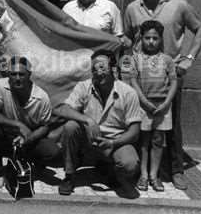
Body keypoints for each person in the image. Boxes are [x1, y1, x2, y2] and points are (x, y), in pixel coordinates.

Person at [123, 0, 201, 190]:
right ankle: (143, 172)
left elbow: (200, 29)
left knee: (172, 124)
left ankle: (176, 170)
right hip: (140, 77)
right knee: (142, 126)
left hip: (170, 74)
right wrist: (125, 54)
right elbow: (129, 39)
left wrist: (189, 57)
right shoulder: (132, 8)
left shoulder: (179, 6)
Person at [53, 50, 143, 198]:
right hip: (89, 139)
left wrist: (112, 143)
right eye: (94, 69)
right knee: (70, 126)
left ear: (114, 69)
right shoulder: (84, 86)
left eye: (102, 68)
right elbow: (62, 109)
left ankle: (112, 173)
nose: (97, 72)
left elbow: (134, 132)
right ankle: (69, 176)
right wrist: (87, 120)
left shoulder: (128, 93)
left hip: (115, 142)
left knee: (129, 164)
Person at [0, 56, 61, 188]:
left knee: (53, 152)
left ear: (29, 75)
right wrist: (18, 124)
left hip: (29, 138)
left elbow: (45, 127)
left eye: (21, 74)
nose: (17, 78)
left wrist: (28, 138)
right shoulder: (1, 85)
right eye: (13, 74)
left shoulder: (41, 97)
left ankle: (32, 163)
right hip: (8, 135)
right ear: (8, 74)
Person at [130, 20, 177, 192]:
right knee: (144, 141)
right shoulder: (136, 59)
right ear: (141, 38)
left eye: (155, 38)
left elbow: (173, 82)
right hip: (144, 106)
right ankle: (142, 175)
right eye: (147, 38)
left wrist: (166, 103)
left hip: (162, 107)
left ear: (161, 39)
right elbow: (133, 81)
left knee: (158, 140)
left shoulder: (167, 60)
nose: (151, 41)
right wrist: (144, 102)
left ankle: (154, 175)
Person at [63, 0, 130, 47]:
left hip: (101, 57)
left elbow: (118, 37)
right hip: (74, 56)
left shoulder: (110, 7)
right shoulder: (67, 9)